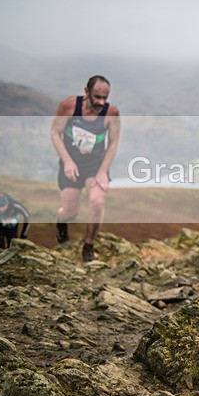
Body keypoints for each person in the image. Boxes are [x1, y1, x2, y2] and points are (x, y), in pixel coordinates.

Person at [50, 75, 121, 261]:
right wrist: (67, 161)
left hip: (95, 165)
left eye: (105, 97)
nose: (101, 102)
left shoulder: (111, 113)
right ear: (86, 92)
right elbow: (55, 133)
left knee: (97, 203)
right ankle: (61, 221)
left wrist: (102, 172)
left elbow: (113, 144)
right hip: (71, 164)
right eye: (97, 97)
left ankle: (88, 246)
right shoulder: (69, 106)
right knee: (70, 211)